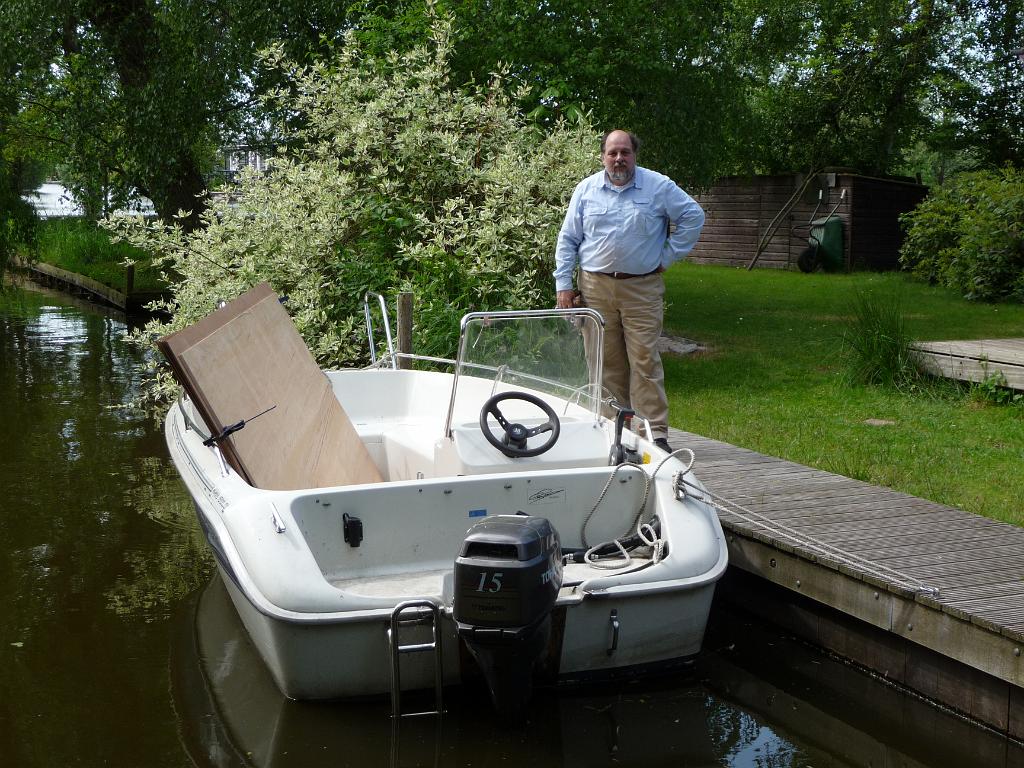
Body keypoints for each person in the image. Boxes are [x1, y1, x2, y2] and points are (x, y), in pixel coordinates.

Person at [554, 129, 705, 453]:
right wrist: (564, 285)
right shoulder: (586, 190)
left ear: (634, 155)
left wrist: (668, 255)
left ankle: (655, 435)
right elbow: (568, 239)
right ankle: (613, 430)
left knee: (645, 360)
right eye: (613, 153)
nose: (619, 158)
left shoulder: (658, 186)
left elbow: (693, 216)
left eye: (625, 152)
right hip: (595, 288)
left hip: (642, 288)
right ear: (603, 156)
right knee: (604, 363)